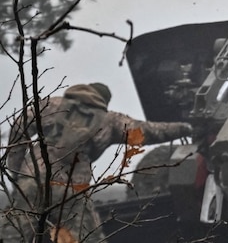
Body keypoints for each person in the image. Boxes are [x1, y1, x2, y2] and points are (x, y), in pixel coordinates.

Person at [4, 82, 193, 242]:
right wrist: (184, 128)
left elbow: (19, 126)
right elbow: (147, 131)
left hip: (31, 180)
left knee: (18, 234)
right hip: (70, 186)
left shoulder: (51, 104)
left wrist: (17, 170)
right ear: (104, 101)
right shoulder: (109, 120)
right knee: (87, 237)